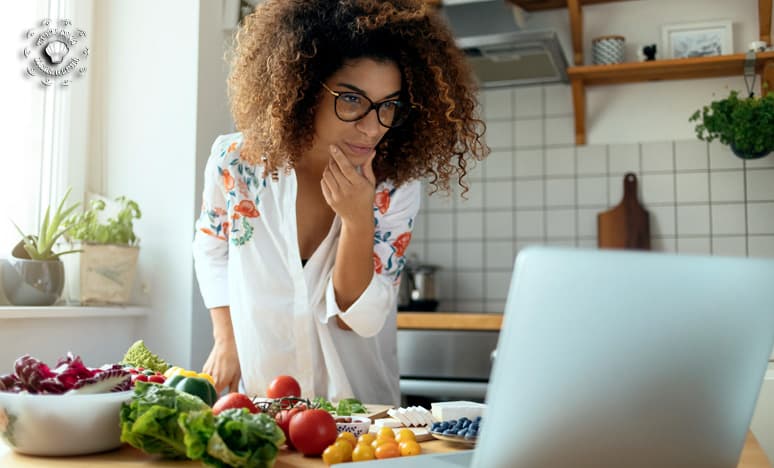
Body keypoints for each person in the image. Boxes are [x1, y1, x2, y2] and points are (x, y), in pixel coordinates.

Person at [193, 0, 488, 406]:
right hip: (265, 403)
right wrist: (226, 337)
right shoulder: (236, 163)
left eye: (388, 106)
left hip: (363, 416)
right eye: (351, 100)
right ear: (304, 86)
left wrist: (358, 220)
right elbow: (212, 246)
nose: (371, 127)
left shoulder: (394, 186)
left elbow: (360, 320)